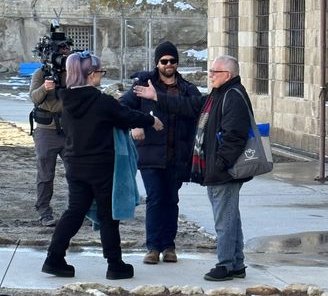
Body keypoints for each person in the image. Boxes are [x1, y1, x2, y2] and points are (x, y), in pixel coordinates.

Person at [41, 51, 163, 280]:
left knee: (74, 211)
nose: (101, 76)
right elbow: (127, 116)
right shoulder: (101, 102)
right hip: (101, 166)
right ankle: (115, 265)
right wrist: (152, 120)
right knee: (108, 216)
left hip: (74, 164)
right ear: (89, 75)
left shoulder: (65, 100)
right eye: (99, 72)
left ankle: (53, 258)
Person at [133, 55, 252, 281]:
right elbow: (186, 106)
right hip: (219, 169)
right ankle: (236, 263)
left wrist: (219, 164)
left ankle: (226, 265)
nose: (209, 76)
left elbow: (234, 137)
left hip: (224, 171)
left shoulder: (232, 96)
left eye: (214, 72)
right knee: (230, 218)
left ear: (227, 75)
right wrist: (156, 96)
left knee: (224, 220)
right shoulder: (217, 95)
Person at [120, 41, 202, 264]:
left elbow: (196, 107)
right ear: (157, 63)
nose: (168, 65)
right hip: (151, 155)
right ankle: (153, 247)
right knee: (155, 198)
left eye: (172, 61)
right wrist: (135, 124)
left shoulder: (187, 89)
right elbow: (122, 107)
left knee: (171, 200)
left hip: (177, 155)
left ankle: (169, 246)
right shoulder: (144, 85)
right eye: (164, 61)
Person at [29, 40, 71, 227]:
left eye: (67, 51)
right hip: (46, 131)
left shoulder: (73, 74)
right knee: (46, 174)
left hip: (70, 129)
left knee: (76, 172)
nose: (65, 55)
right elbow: (34, 98)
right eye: (61, 52)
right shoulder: (41, 73)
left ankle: (77, 209)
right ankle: (44, 211)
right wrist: (46, 88)